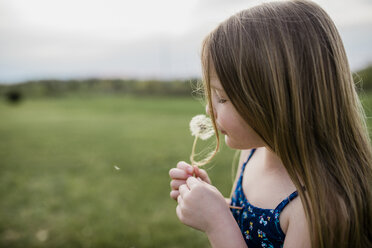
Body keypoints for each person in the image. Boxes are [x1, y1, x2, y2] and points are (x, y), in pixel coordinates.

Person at [168, 0, 372, 247]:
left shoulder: (318, 209)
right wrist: (215, 204)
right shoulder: (252, 154)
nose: (210, 109)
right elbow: (249, 228)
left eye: (222, 97)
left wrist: (217, 223)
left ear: (274, 100)